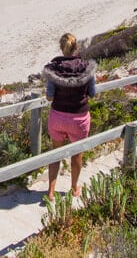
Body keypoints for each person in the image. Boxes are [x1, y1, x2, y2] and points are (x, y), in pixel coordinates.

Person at [42, 33, 97, 201]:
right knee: (77, 155)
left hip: (58, 117)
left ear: (61, 48)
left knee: (55, 153)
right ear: (77, 48)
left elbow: (49, 97)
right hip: (79, 118)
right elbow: (92, 93)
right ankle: (74, 188)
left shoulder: (54, 69)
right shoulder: (87, 68)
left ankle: (50, 192)